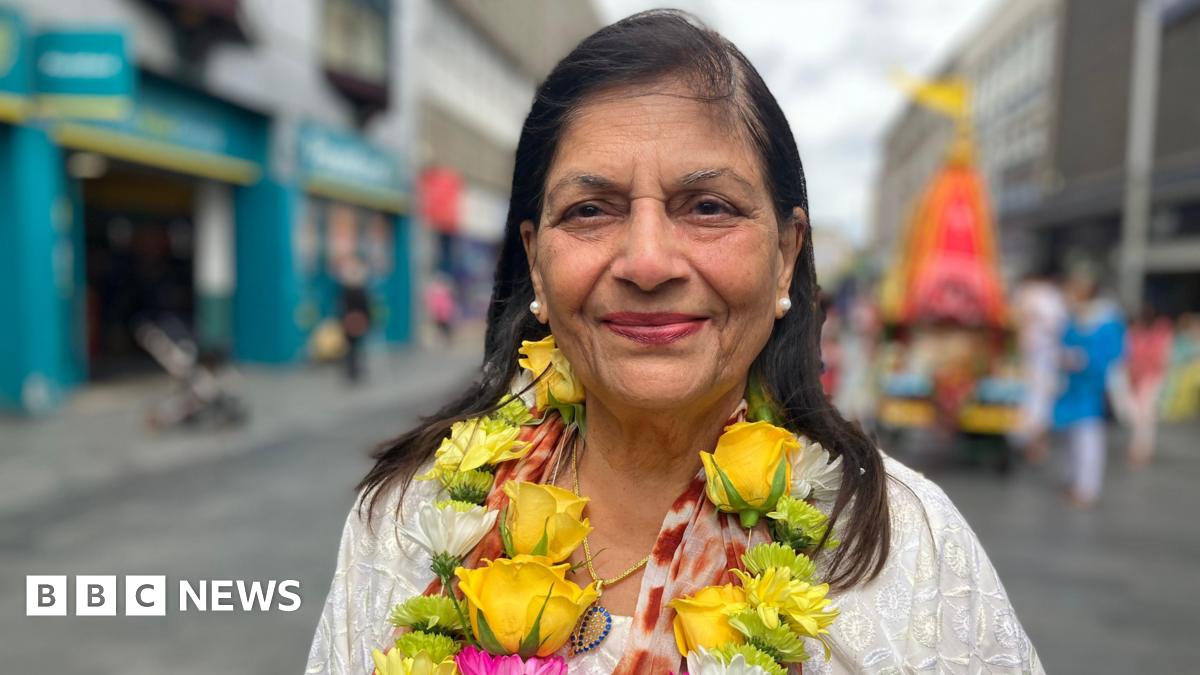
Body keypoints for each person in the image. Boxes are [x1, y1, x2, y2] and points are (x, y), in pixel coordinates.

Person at [307, 11, 1039, 674]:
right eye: (590, 209)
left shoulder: (905, 546)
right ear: (535, 259)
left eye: (708, 207)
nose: (648, 261)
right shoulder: (413, 521)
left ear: (786, 255)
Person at [1052, 269, 1125, 508]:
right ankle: (1073, 480)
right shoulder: (1074, 317)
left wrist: (1086, 360)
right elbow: (1063, 343)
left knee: (1088, 439)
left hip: (1092, 388)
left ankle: (1087, 487)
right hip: (1072, 387)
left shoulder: (1106, 320)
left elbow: (1112, 354)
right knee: (1071, 438)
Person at [1008, 270, 1067, 463]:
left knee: (1037, 401)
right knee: (1032, 401)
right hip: (1027, 356)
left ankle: (1033, 442)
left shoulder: (1045, 296)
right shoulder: (1045, 296)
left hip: (1042, 357)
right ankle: (1030, 442)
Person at [1125, 306, 1173, 465]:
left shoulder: (1161, 334)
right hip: (1139, 378)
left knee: (1145, 416)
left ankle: (1142, 449)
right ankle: (1140, 448)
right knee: (1140, 416)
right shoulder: (1135, 333)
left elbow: (1163, 359)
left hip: (1151, 379)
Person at [337, 258, 372, 383]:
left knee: (351, 348)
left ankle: (352, 371)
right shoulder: (360, 291)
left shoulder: (346, 291)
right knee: (356, 348)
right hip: (358, 322)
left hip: (349, 322)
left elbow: (342, 308)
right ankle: (355, 371)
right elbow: (365, 308)